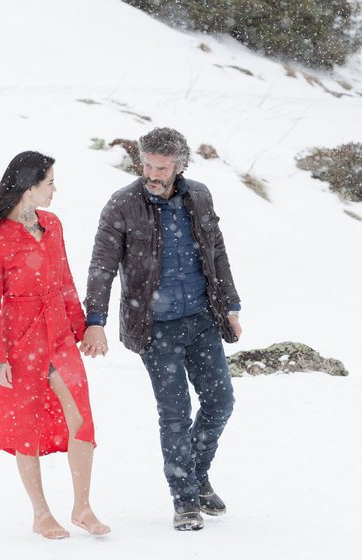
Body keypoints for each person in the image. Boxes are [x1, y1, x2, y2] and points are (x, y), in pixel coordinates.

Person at [82, 127, 242, 531]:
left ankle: (198, 474)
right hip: (154, 327)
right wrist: (94, 321)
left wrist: (232, 306)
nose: (153, 174)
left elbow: (216, 251)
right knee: (174, 413)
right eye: (148, 165)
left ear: (180, 166)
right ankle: (185, 498)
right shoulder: (122, 204)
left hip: (203, 319)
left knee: (221, 401)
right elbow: (101, 266)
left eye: (162, 167)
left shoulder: (199, 196)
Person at [0, 151, 109, 539]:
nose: (54, 189)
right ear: (29, 187)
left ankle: (82, 507)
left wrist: (83, 330)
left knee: (80, 416)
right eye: (49, 182)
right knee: (25, 425)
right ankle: (41, 513)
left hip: (59, 334)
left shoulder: (53, 225)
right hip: (20, 337)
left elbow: (65, 280)